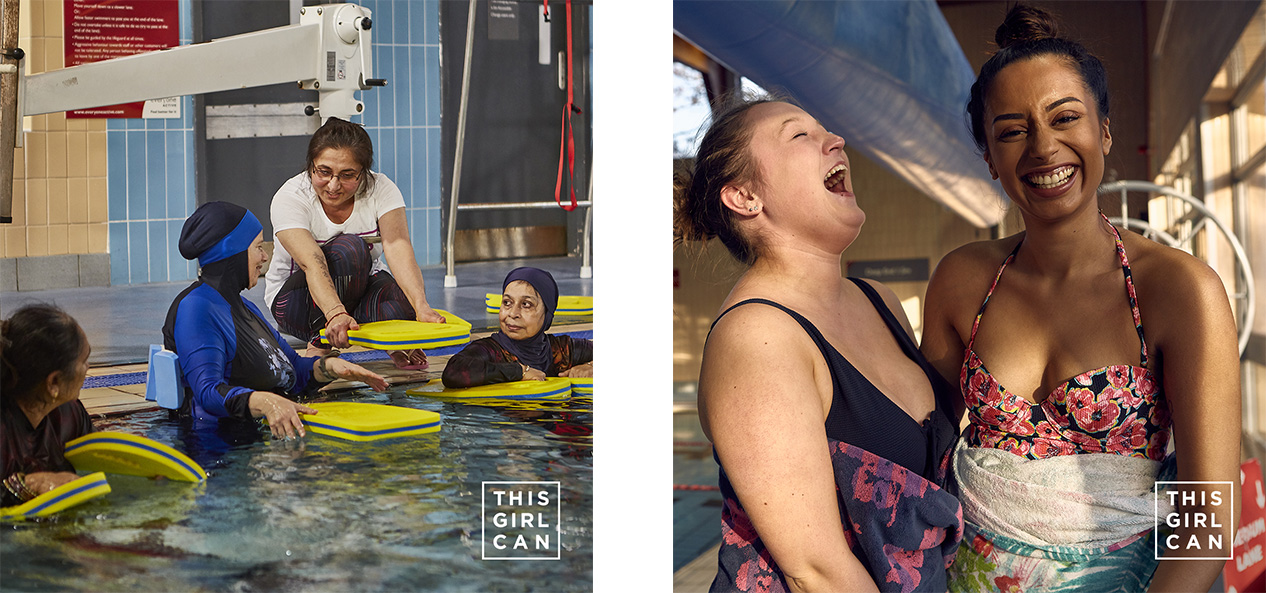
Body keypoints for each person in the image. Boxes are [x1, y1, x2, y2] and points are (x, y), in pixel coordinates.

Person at [920, 5, 1240, 592]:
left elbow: (1207, 520)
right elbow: (921, 455)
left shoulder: (1178, 289)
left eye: (1065, 118)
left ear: (1105, 131)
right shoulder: (962, 281)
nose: (1044, 147)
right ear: (989, 158)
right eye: (1012, 131)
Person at [679, 95, 962, 592]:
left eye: (825, 129)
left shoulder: (877, 300)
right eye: (799, 135)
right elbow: (817, 572)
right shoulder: (756, 339)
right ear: (744, 197)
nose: (836, 140)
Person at [164, 201, 390, 439]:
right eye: (258, 247)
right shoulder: (196, 308)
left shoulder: (245, 308)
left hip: (261, 436)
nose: (264, 257)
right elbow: (208, 393)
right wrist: (266, 403)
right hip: (220, 443)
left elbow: (293, 370)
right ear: (232, 252)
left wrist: (331, 367)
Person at [265, 117, 444, 370]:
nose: (333, 185)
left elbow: (397, 246)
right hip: (297, 302)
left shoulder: (381, 188)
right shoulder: (292, 196)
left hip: (357, 291)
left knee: (402, 306)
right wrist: (335, 313)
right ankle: (320, 340)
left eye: (347, 175)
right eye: (324, 172)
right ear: (311, 165)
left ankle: (384, 340)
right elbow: (311, 262)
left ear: (363, 172)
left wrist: (420, 306)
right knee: (350, 249)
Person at [0, 304, 94, 506]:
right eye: (84, 360)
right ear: (54, 382)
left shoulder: (70, 414)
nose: (88, 367)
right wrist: (28, 485)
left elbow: (99, 458)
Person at [441, 267, 592, 388]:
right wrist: (520, 372)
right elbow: (453, 373)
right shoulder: (490, 350)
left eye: (526, 304)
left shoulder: (562, 351)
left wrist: (591, 366)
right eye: (507, 303)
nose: (513, 314)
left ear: (547, 314)